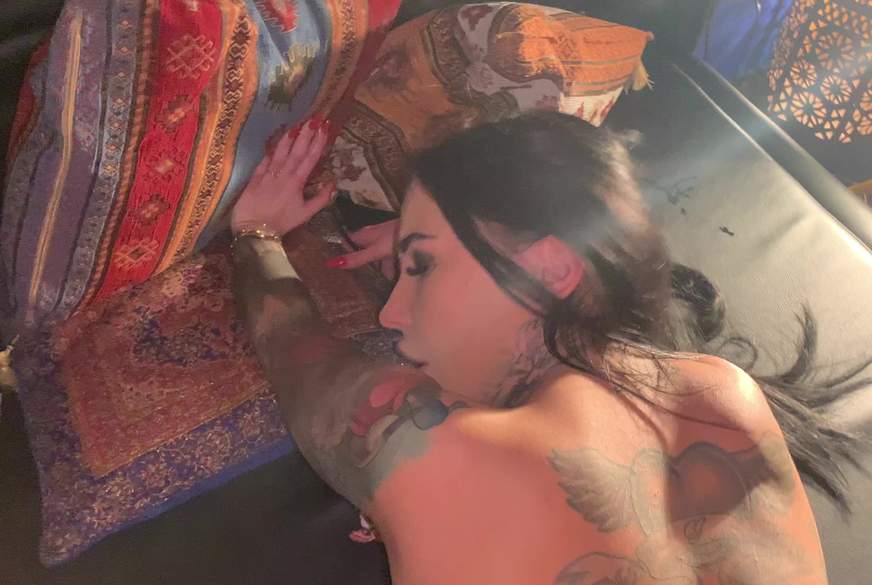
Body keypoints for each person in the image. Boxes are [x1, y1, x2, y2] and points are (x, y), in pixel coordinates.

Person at [230, 112, 864, 584]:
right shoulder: (725, 392)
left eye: (419, 267)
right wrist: (448, 244)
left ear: (551, 269)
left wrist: (256, 232)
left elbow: (292, 344)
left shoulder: (437, 450)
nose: (390, 314)